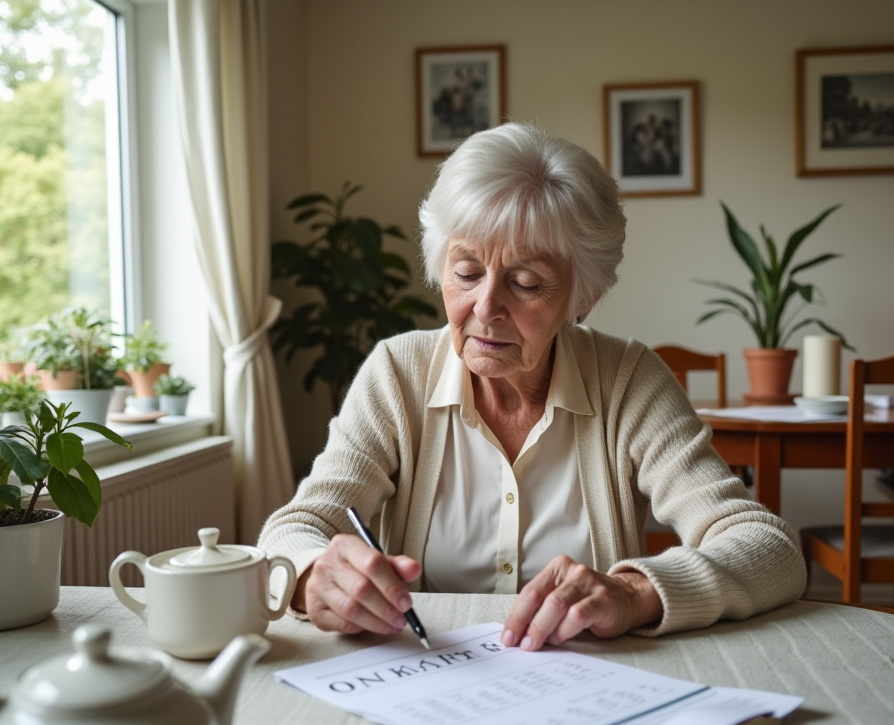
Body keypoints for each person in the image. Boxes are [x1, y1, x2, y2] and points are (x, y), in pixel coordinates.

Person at [259, 122, 806, 651]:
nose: (486, 308)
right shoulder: (397, 374)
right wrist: (315, 575)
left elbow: (770, 550)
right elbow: (295, 528)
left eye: (526, 283)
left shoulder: (629, 381)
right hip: (429, 681)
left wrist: (634, 591)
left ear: (583, 296)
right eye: (467, 273)